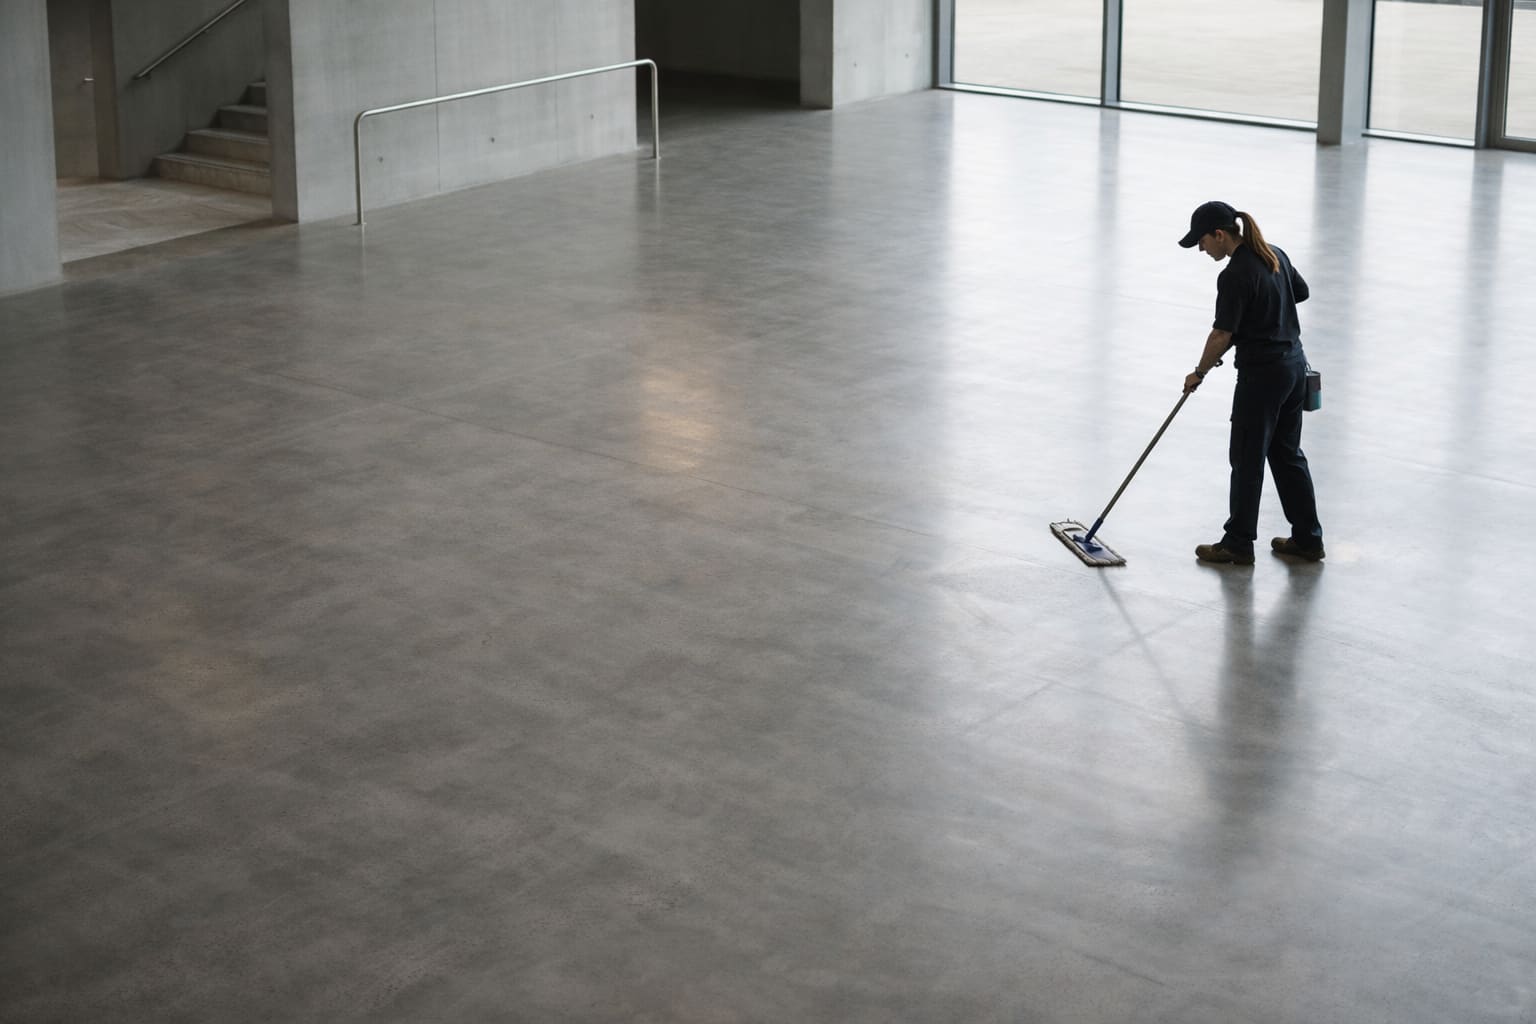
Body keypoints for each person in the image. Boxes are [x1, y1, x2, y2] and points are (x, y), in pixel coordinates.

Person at [1179, 201, 1324, 565]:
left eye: (1202, 241)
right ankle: (1308, 539)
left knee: (1247, 458)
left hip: (1262, 378)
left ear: (1219, 234)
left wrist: (1199, 372)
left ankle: (1238, 543)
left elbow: (1222, 334)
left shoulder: (1234, 275)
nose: (1201, 249)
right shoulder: (1275, 254)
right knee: (1287, 455)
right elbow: (1300, 292)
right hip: (1293, 369)